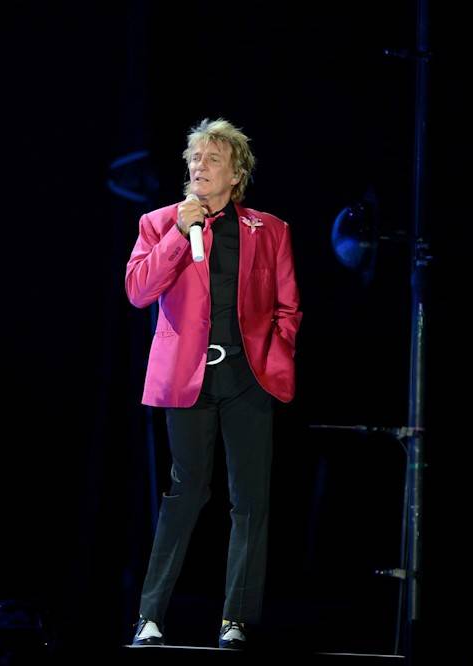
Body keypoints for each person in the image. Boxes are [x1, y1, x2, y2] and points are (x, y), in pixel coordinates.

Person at [125, 118, 301, 649]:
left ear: (236, 174)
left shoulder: (270, 229)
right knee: (185, 492)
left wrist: (272, 358)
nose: (200, 166)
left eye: (213, 159)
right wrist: (179, 234)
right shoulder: (159, 223)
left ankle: (235, 619)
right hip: (188, 377)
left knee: (249, 499)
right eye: (195, 158)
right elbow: (138, 290)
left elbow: (288, 307)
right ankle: (150, 616)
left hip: (247, 376)